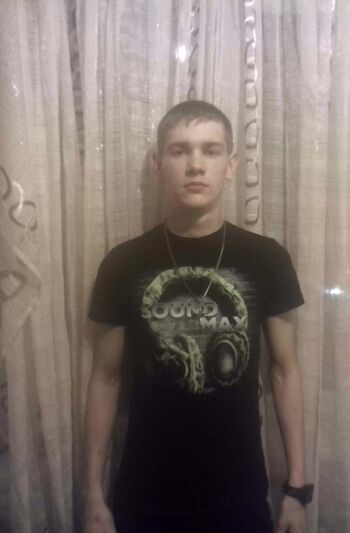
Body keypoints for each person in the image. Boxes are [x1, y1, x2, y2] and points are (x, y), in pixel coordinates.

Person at [83, 100, 313, 533]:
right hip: (144, 496)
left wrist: (297, 490)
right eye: (179, 150)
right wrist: (93, 496)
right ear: (158, 165)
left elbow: (285, 371)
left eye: (210, 150)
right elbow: (105, 378)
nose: (195, 165)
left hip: (239, 496)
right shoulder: (123, 263)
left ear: (231, 165)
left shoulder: (266, 259)